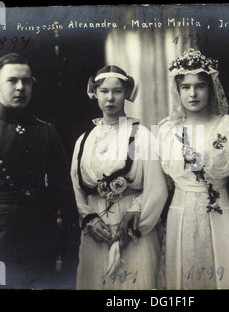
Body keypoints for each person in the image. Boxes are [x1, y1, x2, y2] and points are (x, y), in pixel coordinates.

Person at [0, 52, 78, 289]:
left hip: (41, 238)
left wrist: (70, 243)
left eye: (27, 80)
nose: (21, 87)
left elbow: (63, 190)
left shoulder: (47, 132)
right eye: (12, 80)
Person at [70, 65, 168, 290]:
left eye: (117, 91)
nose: (110, 98)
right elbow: (75, 187)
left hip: (132, 227)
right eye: (104, 91)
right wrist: (89, 219)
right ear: (95, 93)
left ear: (127, 93)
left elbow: (155, 187)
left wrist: (136, 222)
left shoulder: (139, 136)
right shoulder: (84, 140)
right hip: (96, 231)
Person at [158, 49, 229, 289]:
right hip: (180, 213)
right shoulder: (167, 129)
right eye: (185, 87)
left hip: (221, 213)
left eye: (200, 86)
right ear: (177, 90)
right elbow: (159, 184)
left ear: (211, 87)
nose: (193, 93)